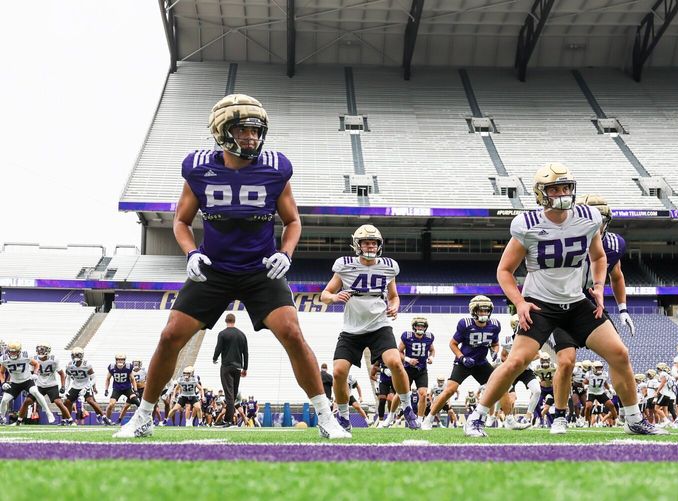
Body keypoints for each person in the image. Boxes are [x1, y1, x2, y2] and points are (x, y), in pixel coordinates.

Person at [115, 94, 348, 439]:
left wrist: (286, 253)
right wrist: (191, 253)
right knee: (169, 336)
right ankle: (143, 416)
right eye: (243, 131)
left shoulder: (275, 167)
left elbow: (293, 221)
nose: (252, 138)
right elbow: (180, 221)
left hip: (260, 268)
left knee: (293, 334)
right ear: (222, 132)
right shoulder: (199, 167)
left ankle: (326, 417)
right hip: (215, 267)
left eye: (256, 131)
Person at [464, 163, 665, 437]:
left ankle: (634, 419)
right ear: (541, 193)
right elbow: (504, 271)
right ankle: (476, 417)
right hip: (541, 305)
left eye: (566, 187)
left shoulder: (588, 217)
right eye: (555, 188)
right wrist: (520, 303)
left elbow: (598, 256)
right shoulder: (528, 224)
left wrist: (597, 286)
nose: (562, 193)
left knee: (620, 354)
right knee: (516, 362)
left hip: (577, 303)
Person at [549, 194, 635, 434]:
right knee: (566, 362)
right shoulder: (562, 235)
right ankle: (559, 416)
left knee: (619, 354)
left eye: (601, 219)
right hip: (559, 303)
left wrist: (623, 308)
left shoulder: (613, 244)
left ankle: (633, 418)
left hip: (589, 303)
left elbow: (615, 275)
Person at [320, 224, 419, 430]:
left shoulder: (388, 266)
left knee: (395, 363)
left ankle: (408, 408)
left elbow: (393, 296)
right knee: (338, 372)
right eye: (366, 242)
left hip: (379, 326)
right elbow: (324, 294)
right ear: (357, 244)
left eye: (373, 242)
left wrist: (394, 306)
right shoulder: (345, 265)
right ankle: (344, 418)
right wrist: (335, 297)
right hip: (352, 329)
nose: (370, 246)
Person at [421, 296, 501, 430]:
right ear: (474, 311)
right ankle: (428, 419)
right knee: (449, 390)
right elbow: (453, 344)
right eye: (481, 311)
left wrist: (494, 352)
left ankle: (495, 418)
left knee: (498, 386)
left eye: (486, 311)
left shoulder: (495, 325)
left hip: (481, 362)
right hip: (464, 362)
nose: (484, 314)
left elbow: (495, 343)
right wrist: (462, 357)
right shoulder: (465, 324)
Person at [0, 341, 54, 425]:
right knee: (4, 400)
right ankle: (2, 418)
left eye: (15, 351)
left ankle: (48, 412)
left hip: (27, 380)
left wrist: (35, 373)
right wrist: (3, 383)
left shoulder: (25, 356)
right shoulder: (4, 358)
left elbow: (36, 364)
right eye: (11, 351)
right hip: (14, 382)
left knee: (35, 392)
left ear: (19, 351)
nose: (13, 353)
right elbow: (2, 372)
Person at [213, 313, 249, 427]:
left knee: (229, 395)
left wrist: (215, 358)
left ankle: (228, 421)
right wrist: (245, 368)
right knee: (232, 395)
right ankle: (228, 420)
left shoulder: (222, 334)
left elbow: (218, 348)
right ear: (234, 321)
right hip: (238, 368)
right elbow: (245, 353)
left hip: (227, 367)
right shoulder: (242, 335)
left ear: (226, 321)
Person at [22, 343, 72, 425]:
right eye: (39, 349)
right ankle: (19, 421)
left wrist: (63, 386)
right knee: (27, 401)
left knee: (59, 402)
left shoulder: (54, 359)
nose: (40, 351)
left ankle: (70, 420)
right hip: (38, 385)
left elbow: (62, 374)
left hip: (51, 385)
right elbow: (30, 374)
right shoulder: (33, 359)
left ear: (48, 350)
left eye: (42, 349)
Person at [63, 347, 110, 425]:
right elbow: (68, 378)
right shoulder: (69, 365)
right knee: (67, 401)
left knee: (90, 401)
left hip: (86, 384)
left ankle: (104, 417)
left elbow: (94, 378)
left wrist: (87, 387)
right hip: (75, 385)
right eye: (74, 355)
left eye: (77, 355)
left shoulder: (87, 365)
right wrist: (66, 389)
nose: (76, 357)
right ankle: (67, 420)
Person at [104, 354, 139, 425]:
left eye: (122, 359)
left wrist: (135, 390)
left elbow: (132, 379)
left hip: (127, 388)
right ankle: (107, 420)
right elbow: (108, 379)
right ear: (116, 360)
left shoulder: (128, 367)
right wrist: (106, 389)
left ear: (124, 360)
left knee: (135, 400)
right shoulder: (112, 367)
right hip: (117, 389)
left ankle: (145, 416)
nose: (120, 361)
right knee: (111, 404)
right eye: (118, 359)